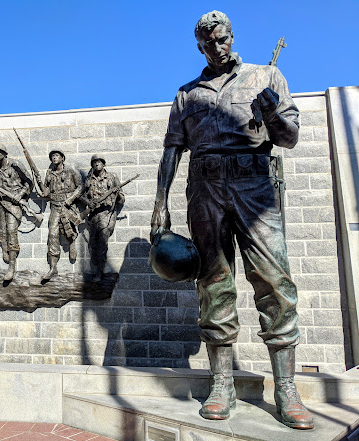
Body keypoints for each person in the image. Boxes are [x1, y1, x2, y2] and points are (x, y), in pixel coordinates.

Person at [150, 10, 313, 430]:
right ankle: (221, 382)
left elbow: (289, 139)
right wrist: (160, 202)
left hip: (254, 184)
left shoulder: (266, 77)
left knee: (275, 280)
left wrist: (273, 114)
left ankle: (286, 387)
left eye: (221, 40)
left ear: (232, 37)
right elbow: (172, 150)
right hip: (205, 188)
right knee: (213, 283)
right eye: (207, 44)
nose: (216, 48)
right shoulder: (187, 94)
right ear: (199, 47)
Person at [0, 143, 32, 281]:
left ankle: (12, 266)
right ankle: (4, 250)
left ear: (4, 153)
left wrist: (20, 195)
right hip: (1, 203)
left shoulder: (15, 165)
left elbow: (29, 182)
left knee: (11, 231)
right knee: (0, 231)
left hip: (14, 203)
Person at [81, 154, 124, 282]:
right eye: (94, 162)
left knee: (102, 243)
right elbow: (82, 196)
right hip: (93, 215)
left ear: (104, 164)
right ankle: (95, 269)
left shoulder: (112, 177)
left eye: (99, 162)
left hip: (106, 214)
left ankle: (100, 272)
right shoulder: (88, 180)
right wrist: (88, 203)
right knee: (92, 244)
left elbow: (121, 199)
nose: (97, 164)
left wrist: (116, 194)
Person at [42, 149, 82, 281]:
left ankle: (72, 243)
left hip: (68, 205)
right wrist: (44, 192)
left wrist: (71, 199)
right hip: (54, 205)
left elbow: (81, 187)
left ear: (62, 158)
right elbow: (46, 189)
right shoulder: (49, 173)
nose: (54, 158)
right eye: (52, 156)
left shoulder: (71, 170)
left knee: (68, 228)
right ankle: (53, 267)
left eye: (57, 156)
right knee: (52, 233)